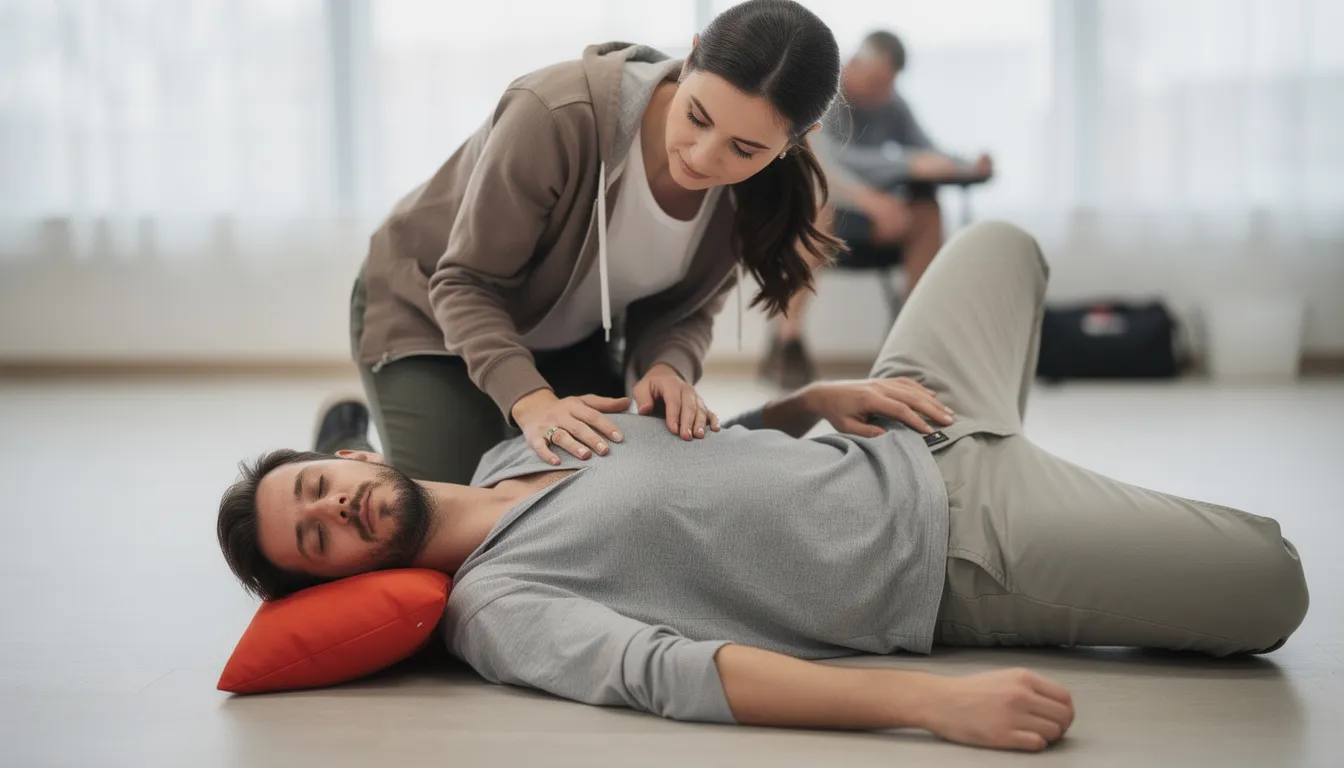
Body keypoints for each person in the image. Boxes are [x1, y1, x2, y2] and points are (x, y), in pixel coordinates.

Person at [218, 221, 1308, 753]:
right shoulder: (496, 613)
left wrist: (811, 402)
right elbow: (679, 673)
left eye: (318, 485)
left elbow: (704, 469)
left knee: (998, 242)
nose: (335, 510)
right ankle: (1065, 501)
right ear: (337, 575)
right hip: (962, 550)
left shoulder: (526, 445)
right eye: (315, 539)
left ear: (355, 459)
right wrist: (931, 704)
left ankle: (1026, 452)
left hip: (899, 415)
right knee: (1273, 584)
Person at [334, 0, 846, 488]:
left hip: (564, 337)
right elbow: (464, 282)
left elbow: (683, 312)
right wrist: (532, 403)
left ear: (798, 140)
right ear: (689, 58)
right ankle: (343, 440)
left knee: (600, 497)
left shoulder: (758, 192)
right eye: (697, 117)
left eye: (744, 148)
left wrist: (667, 368)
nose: (704, 158)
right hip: (426, 313)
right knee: (452, 512)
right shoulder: (556, 114)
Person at [761, 29, 994, 389]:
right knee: (817, 207)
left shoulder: (892, 104)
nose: (880, 93)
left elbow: (926, 152)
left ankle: (914, 340)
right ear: (853, 64)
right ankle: (788, 342)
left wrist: (966, 164)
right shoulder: (822, 94)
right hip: (821, 213)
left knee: (926, 212)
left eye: (887, 85)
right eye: (874, 82)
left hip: (875, 220)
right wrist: (884, 187)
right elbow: (827, 161)